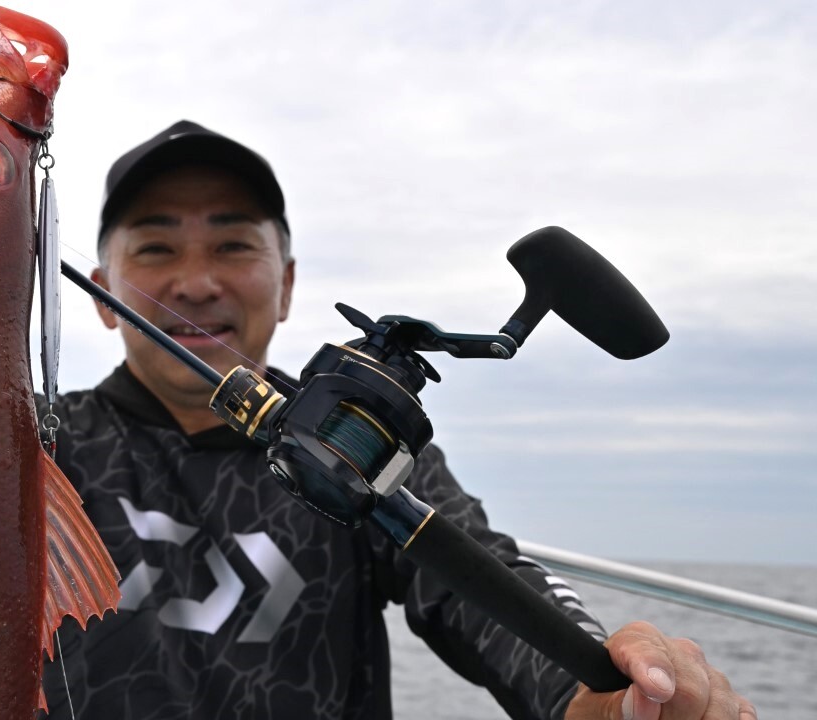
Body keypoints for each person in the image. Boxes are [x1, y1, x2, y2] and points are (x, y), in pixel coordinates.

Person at [40, 120, 753, 720]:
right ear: (104, 294)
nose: (196, 282)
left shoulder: (354, 438)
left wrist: (604, 693)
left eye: (233, 245)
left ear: (286, 285)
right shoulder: (26, 446)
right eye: (156, 248)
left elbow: (483, 578)